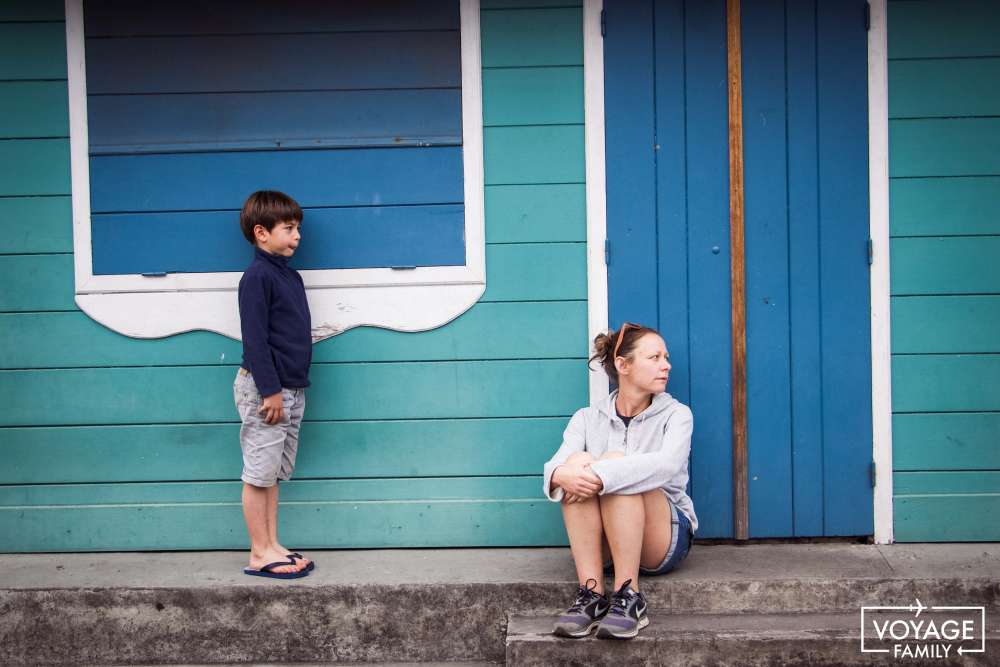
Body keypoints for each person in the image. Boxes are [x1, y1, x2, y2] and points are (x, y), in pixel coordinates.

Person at [543, 322, 697, 639]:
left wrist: (602, 474)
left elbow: (666, 465)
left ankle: (629, 596)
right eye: (654, 357)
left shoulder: (677, 415)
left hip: (663, 537)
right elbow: (554, 468)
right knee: (575, 464)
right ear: (622, 365)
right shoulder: (586, 418)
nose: (666, 365)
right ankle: (593, 595)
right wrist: (565, 474)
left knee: (615, 469)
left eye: (666, 357)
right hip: (609, 543)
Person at [234, 190, 314, 579]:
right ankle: (258, 551)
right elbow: (255, 339)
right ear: (261, 232)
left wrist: (291, 388)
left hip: (290, 389)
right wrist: (271, 391)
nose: (297, 235)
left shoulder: (289, 275)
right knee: (258, 472)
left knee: (274, 473)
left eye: (298, 227)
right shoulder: (257, 277)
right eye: (289, 228)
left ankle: (272, 543)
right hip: (267, 391)